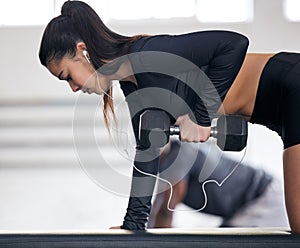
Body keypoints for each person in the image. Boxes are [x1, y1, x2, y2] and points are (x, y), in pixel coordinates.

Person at [38, 1, 300, 233]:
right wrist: (134, 225)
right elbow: (147, 150)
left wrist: (201, 116)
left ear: (83, 50)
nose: (73, 87)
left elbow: (234, 43)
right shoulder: (132, 85)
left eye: (67, 76)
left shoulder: (148, 53)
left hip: (291, 84)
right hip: (279, 114)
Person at [147, 139, 281, 228]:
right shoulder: (166, 168)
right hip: (242, 209)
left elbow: (165, 210)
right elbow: (156, 212)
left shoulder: (178, 153)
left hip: (263, 197)